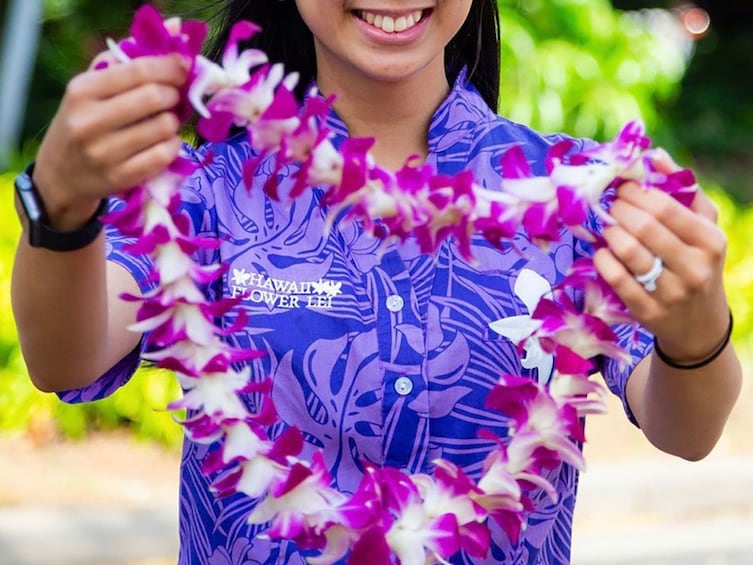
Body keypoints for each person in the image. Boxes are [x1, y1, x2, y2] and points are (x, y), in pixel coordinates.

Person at [11, 1, 742, 563]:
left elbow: (686, 429)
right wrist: (60, 206)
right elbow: (66, 359)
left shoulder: (576, 195)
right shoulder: (203, 192)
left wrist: (694, 327)